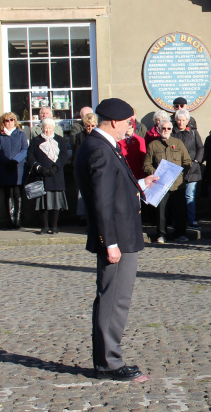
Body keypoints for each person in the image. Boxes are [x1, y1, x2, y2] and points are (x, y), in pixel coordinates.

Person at [74, 98, 160, 381]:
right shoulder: (99, 149)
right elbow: (101, 202)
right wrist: (109, 242)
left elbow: (113, 187)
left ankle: (108, 359)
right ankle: (109, 363)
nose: (130, 128)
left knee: (114, 299)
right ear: (113, 122)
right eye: (128, 123)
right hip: (117, 238)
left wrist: (139, 184)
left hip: (122, 234)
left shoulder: (101, 145)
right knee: (114, 300)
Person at [144, 119, 191, 243]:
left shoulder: (178, 143)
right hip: (160, 184)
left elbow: (187, 161)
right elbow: (146, 164)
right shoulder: (153, 145)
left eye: (168, 128)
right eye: (163, 128)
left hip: (177, 184)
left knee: (179, 210)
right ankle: (161, 234)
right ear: (159, 129)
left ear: (171, 130)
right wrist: (154, 173)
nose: (166, 131)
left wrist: (181, 173)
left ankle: (180, 233)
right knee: (161, 212)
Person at [26, 117, 70, 234]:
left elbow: (64, 155)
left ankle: (54, 226)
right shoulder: (35, 140)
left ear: (53, 128)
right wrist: (39, 167)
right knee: (43, 204)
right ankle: (45, 226)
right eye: (46, 128)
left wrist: (56, 167)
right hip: (41, 175)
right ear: (42, 128)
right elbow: (30, 156)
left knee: (56, 203)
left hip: (56, 175)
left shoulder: (60, 140)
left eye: (50, 128)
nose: (48, 130)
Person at [171, 109, 204, 229]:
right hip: (177, 170)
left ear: (187, 121)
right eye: (179, 120)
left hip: (192, 169)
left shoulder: (193, 133)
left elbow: (200, 148)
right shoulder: (172, 132)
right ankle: (178, 221)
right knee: (177, 197)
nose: (181, 122)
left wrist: (196, 161)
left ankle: (191, 220)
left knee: (190, 196)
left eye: (183, 120)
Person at [0, 112, 27, 229]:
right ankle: (10, 220)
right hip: (5, 167)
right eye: (7, 120)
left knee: (17, 193)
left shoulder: (20, 134)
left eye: (11, 120)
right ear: (3, 122)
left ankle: (18, 220)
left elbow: (25, 149)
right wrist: (7, 161)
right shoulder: (1, 136)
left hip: (18, 167)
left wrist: (15, 161)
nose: (9, 122)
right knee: (8, 194)